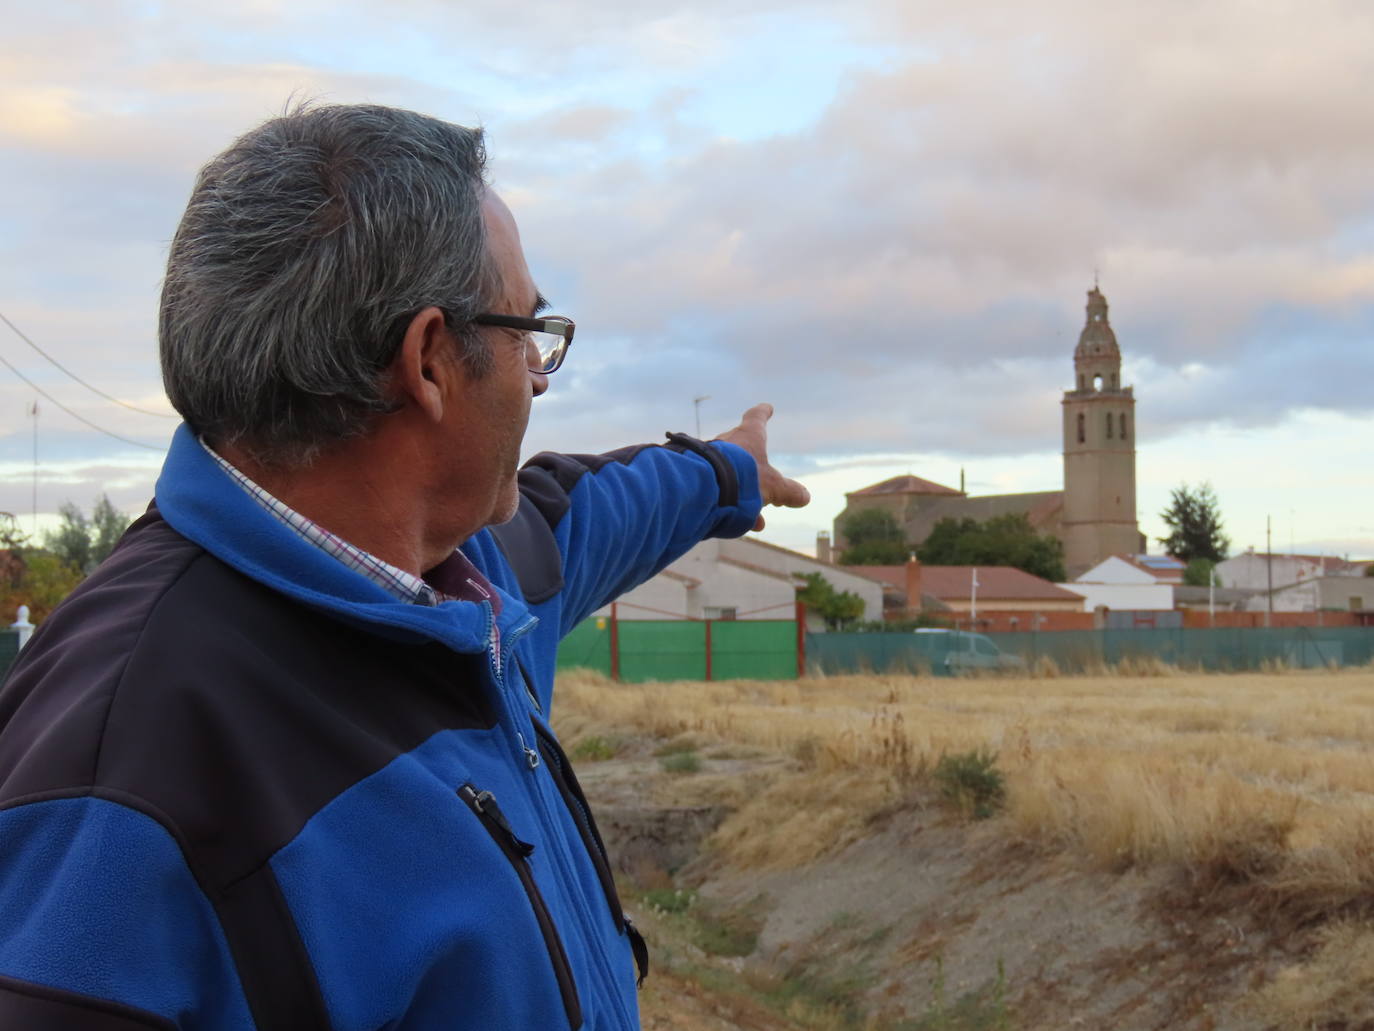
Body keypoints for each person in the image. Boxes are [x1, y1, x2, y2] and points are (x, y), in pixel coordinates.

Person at [0, 104, 808, 1030]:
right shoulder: (118, 779)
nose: (539, 376)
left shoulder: (466, 579)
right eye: (528, 331)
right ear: (428, 361)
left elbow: (600, 511)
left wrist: (730, 468)